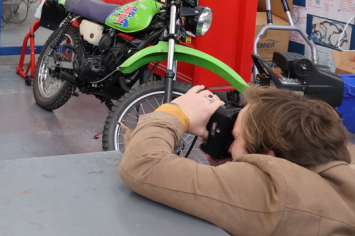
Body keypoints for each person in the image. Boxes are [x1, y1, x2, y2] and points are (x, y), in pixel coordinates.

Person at [118, 84, 355, 236]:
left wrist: (174, 113)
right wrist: (239, 162)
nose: (229, 146)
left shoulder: (273, 189)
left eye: (235, 137)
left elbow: (143, 164)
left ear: (267, 156)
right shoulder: (343, 158)